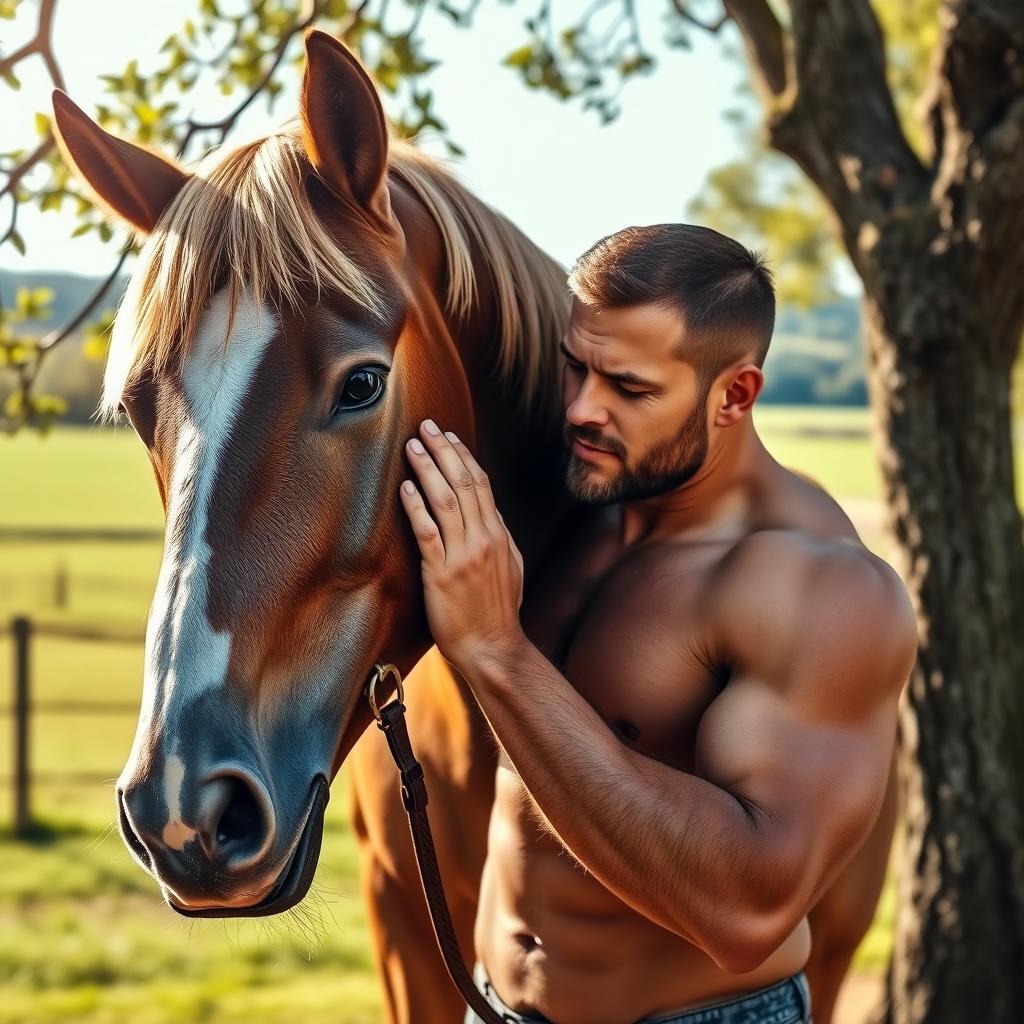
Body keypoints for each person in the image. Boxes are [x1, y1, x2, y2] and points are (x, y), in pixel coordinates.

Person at [396, 223, 916, 1024]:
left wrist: (495, 650)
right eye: (576, 367)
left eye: (630, 389)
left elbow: (748, 912)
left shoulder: (815, 587)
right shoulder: (581, 499)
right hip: (494, 1004)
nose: (581, 409)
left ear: (734, 396)